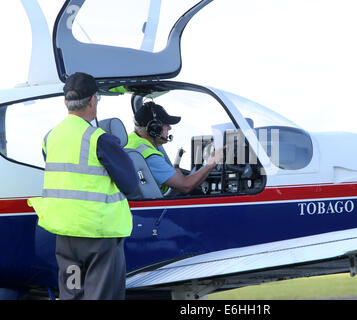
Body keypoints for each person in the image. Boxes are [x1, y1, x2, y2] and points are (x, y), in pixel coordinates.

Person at [28, 72, 138, 300]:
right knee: (101, 295)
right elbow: (130, 184)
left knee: (72, 293)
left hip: (66, 237)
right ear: (92, 101)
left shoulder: (50, 138)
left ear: (65, 102)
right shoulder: (100, 139)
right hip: (98, 237)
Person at [125, 101, 223, 195]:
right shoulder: (148, 154)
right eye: (166, 124)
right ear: (154, 128)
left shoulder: (130, 140)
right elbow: (186, 186)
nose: (170, 128)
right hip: (154, 207)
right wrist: (210, 164)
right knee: (196, 193)